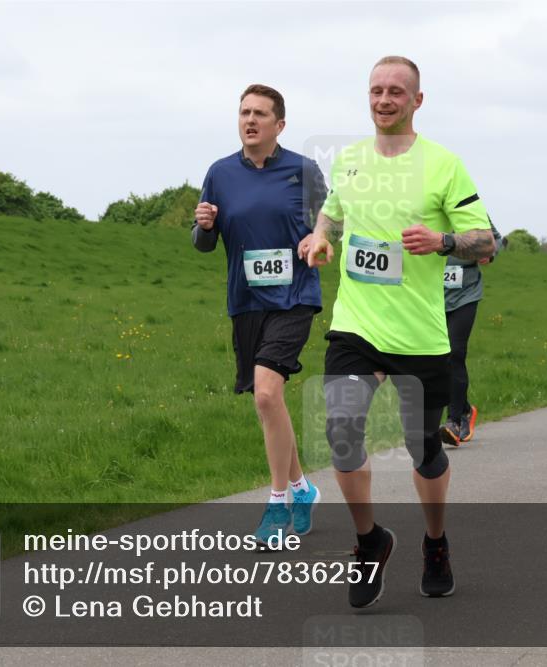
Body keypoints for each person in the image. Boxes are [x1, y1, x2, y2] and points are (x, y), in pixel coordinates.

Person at [303, 56, 495, 607]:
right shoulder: (350, 160)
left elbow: (486, 241)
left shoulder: (444, 165)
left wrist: (442, 242)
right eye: (376, 90)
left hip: (419, 334)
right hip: (356, 324)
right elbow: (333, 215)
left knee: (423, 450)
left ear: (417, 100)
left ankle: (435, 542)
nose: (384, 99)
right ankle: (370, 541)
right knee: (340, 433)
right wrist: (321, 238)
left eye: (395, 91)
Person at [192, 84, 325, 546]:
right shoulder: (220, 173)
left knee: (267, 395)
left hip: (295, 295)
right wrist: (204, 225)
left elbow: (332, 225)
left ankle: (277, 504)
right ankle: (302, 487)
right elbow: (204, 242)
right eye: (244, 112)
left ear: (279, 125)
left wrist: (316, 240)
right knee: (267, 400)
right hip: (246, 300)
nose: (250, 120)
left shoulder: (303, 171)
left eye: (260, 114)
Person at [440, 216, 502, 446]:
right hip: (429, 296)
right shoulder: (422, 205)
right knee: (434, 359)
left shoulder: (469, 209)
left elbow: (495, 239)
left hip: (465, 295)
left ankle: (454, 422)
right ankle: (464, 408)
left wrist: (490, 253)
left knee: (455, 353)